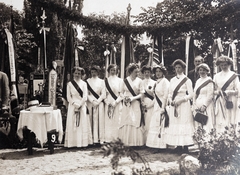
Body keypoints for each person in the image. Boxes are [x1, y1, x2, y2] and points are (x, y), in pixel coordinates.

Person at [166, 59, 194, 153]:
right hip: (174, 104)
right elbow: (169, 93)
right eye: (176, 67)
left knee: (183, 123)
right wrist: (171, 101)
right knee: (176, 124)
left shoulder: (187, 80)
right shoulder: (172, 80)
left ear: (183, 68)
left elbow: (191, 94)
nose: (178, 69)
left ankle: (185, 146)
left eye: (179, 67)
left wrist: (181, 100)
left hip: (184, 104)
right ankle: (178, 146)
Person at [64, 67, 93, 148]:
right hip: (72, 106)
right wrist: (74, 104)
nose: (77, 75)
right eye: (76, 73)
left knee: (82, 124)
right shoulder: (69, 84)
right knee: (72, 123)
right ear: (73, 73)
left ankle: (82, 143)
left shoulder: (84, 84)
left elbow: (85, 96)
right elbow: (68, 97)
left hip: (82, 105)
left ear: (82, 75)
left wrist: (80, 104)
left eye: (79, 73)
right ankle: (72, 143)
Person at [118, 63, 144, 146]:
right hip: (126, 103)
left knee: (135, 120)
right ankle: (126, 142)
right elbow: (120, 93)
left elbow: (142, 94)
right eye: (135, 72)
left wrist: (133, 98)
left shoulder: (140, 81)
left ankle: (135, 143)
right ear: (130, 72)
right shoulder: (125, 81)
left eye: (138, 72)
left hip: (135, 102)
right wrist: (125, 98)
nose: (137, 74)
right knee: (126, 120)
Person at [146, 64, 169, 150]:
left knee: (161, 125)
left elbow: (166, 96)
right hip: (156, 106)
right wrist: (148, 106)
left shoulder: (165, 82)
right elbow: (155, 98)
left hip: (162, 106)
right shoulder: (156, 83)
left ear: (163, 72)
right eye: (156, 71)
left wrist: (163, 108)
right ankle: (155, 145)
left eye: (160, 71)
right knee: (155, 124)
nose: (158, 73)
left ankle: (161, 146)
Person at [213, 56, 239, 133]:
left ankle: (231, 137)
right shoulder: (216, 76)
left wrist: (229, 92)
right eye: (221, 65)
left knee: (230, 117)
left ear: (229, 64)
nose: (223, 67)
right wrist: (217, 92)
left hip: (230, 99)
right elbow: (213, 89)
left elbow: (238, 90)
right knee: (221, 118)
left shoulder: (233, 75)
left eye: (225, 65)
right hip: (220, 100)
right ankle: (221, 137)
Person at [86, 65, 106, 144]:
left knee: (99, 121)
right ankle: (91, 140)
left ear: (98, 72)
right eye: (92, 72)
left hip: (99, 103)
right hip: (91, 103)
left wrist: (97, 101)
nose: (93, 73)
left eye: (95, 71)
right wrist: (92, 101)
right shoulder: (87, 81)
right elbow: (86, 93)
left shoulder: (102, 81)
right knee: (91, 120)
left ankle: (100, 139)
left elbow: (103, 94)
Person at [193, 63, 214, 133]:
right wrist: (194, 104)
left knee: (206, 123)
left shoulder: (209, 80)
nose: (202, 72)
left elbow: (210, 95)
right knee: (198, 123)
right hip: (198, 104)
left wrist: (205, 105)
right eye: (200, 70)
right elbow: (195, 94)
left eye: (204, 70)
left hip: (206, 105)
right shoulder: (198, 81)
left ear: (207, 71)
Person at [104, 64, 123, 142]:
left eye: (114, 70)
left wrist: (115, 102)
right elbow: (104, 94)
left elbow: (121, 94)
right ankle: (108, 139)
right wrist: (108, 103)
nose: (112, 72)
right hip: (108, 102)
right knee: (109, 120)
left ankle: (117, 138)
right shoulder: (105, 81)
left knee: (117, 120)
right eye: (111, 70)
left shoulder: (120, 80)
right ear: (109, 71)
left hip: (117, 102)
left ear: (117, 71)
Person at [140, 65, 155, 141]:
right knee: (144, 121)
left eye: (148, 72)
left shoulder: (154, 82)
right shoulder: (141, 82)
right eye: (145, 72)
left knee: (150, 120)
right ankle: (144, 140)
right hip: (144, 102)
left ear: (151, 73)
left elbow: (155, 95)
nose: (146, 74)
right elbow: (141, 94)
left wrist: (150, 105)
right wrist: (142, 103)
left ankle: (150, 140)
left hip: (151, 103)